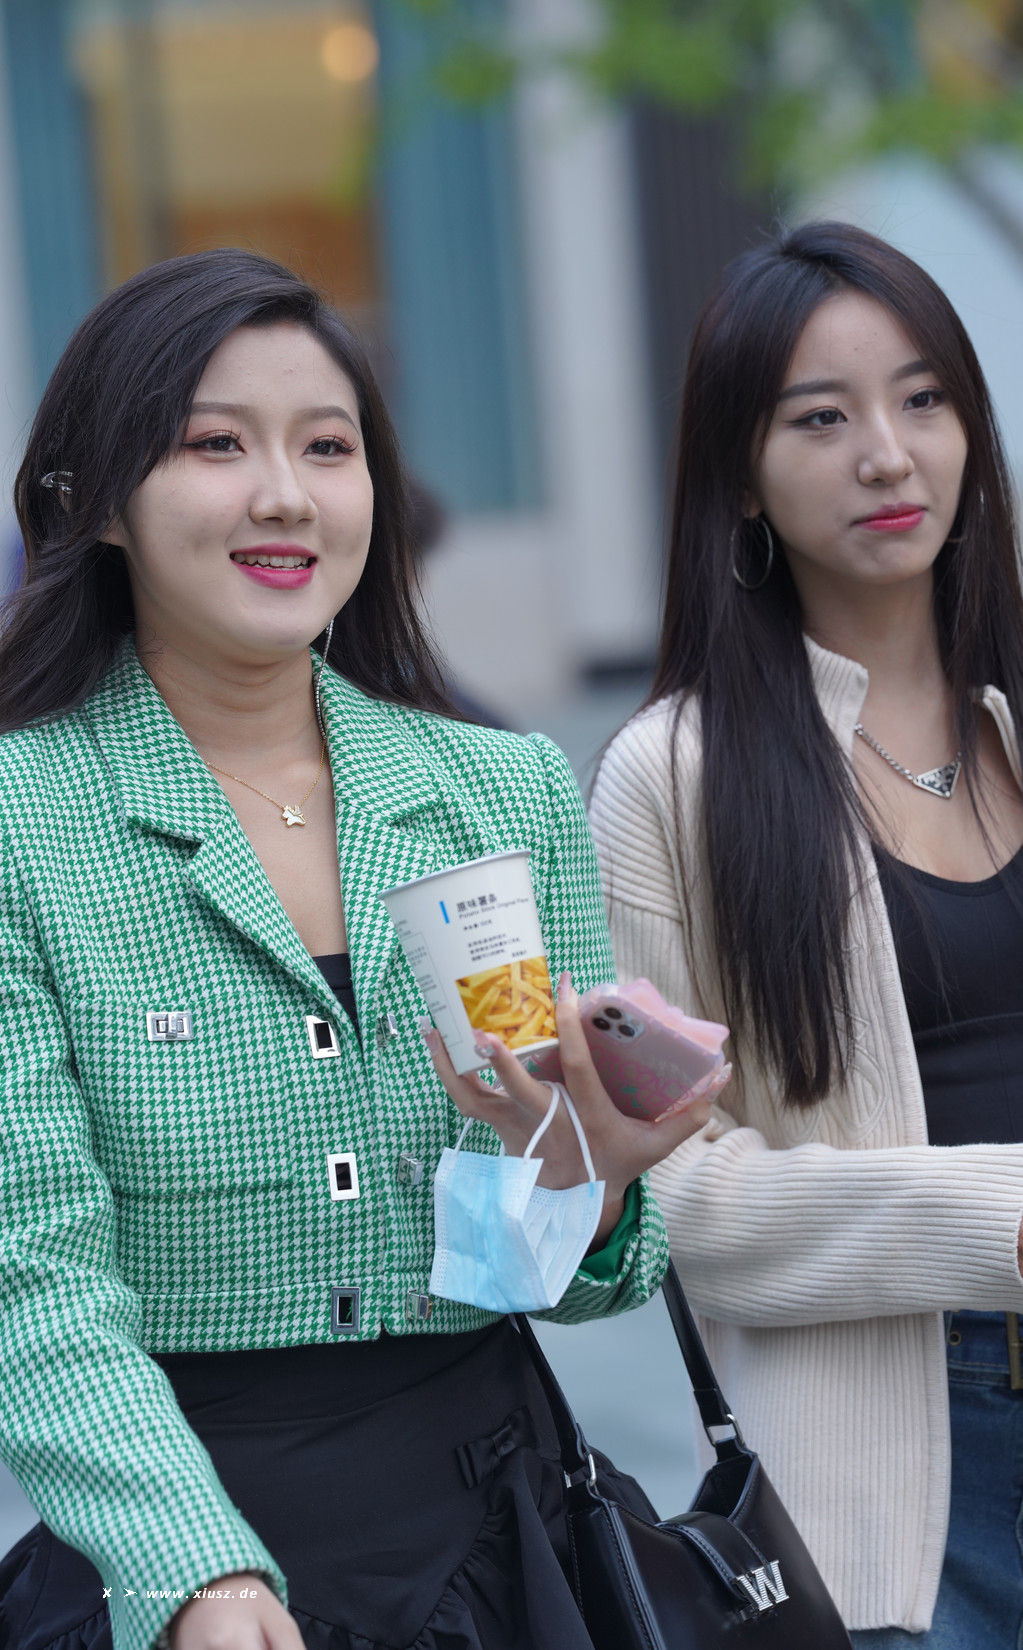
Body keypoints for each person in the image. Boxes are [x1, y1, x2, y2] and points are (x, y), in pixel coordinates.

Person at [0, 248, 715, 1650]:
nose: (285, 494)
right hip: (179, 1560)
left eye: (327, 447)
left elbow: (542, 1277)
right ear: (97, 502)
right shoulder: (26, 821)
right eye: (217, 444)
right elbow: (30, 1272)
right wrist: (190, 1569)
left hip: (498, 1542)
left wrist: (588, 1173)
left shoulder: (497, 791)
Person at [588, 221, 1023, 1648]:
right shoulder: (673, 776)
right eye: (822, 418)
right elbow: (668, 1190)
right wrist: (993, 1216)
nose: (887, 454)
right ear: (741, 474)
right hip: (889, 1503)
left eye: (924, 400)